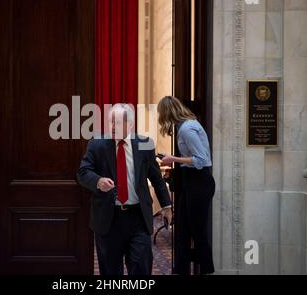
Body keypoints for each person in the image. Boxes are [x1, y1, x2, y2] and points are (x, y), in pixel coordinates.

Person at [77, 103, 172, 275]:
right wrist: (98, 181)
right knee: (111, 272)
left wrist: (166, 206)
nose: (112, 127)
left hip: (138, 218)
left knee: (141, 268)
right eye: (111, 122)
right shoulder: (97, 144)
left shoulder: (145, 144)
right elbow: (83, 172)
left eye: (117, 122)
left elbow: (157, 179)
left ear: (130, 124)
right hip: (108, 219)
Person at [157, 96, 215, 275]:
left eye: (161, 113)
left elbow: (201, 160)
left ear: (167, 112)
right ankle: (181, 269)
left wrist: (172, 159)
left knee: (198, 233)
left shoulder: (187, 129)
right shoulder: (185, 125)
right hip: (192, 183)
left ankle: (206, 269)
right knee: (182, 231)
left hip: (199, 183)